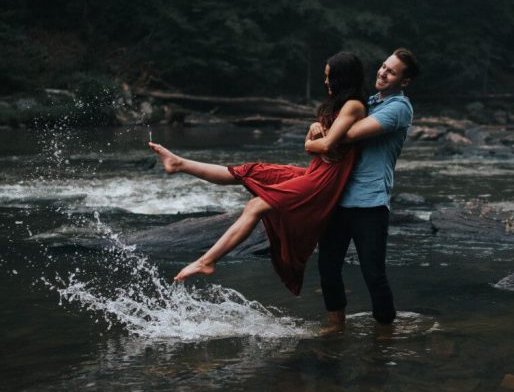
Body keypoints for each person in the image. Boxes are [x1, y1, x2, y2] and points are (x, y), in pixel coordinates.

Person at [147, 52, 367, 295]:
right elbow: (318, 147)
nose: (326, 82)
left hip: (325, 182)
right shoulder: (337, 105)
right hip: (315, 171)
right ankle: (179, 164)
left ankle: (206, 261)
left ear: (343, 78)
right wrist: (313, 133)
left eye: (329, 77)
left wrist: (314, 140)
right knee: (250, 171)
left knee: (256, 205)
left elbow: (322, 147)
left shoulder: (354, 105)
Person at [304, 48, 419, 331]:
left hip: (370, 202)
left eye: (391, 71)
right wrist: (316, 125)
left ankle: (384, 333)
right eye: (383, 66)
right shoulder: (367, 101)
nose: (382, 72)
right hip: (338, 197)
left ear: (403, 81)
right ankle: (335, 327)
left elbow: (348, 135)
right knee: (328, 267)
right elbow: (332, 121)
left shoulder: (399, 108)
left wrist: (316, 139)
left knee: (373, 274)